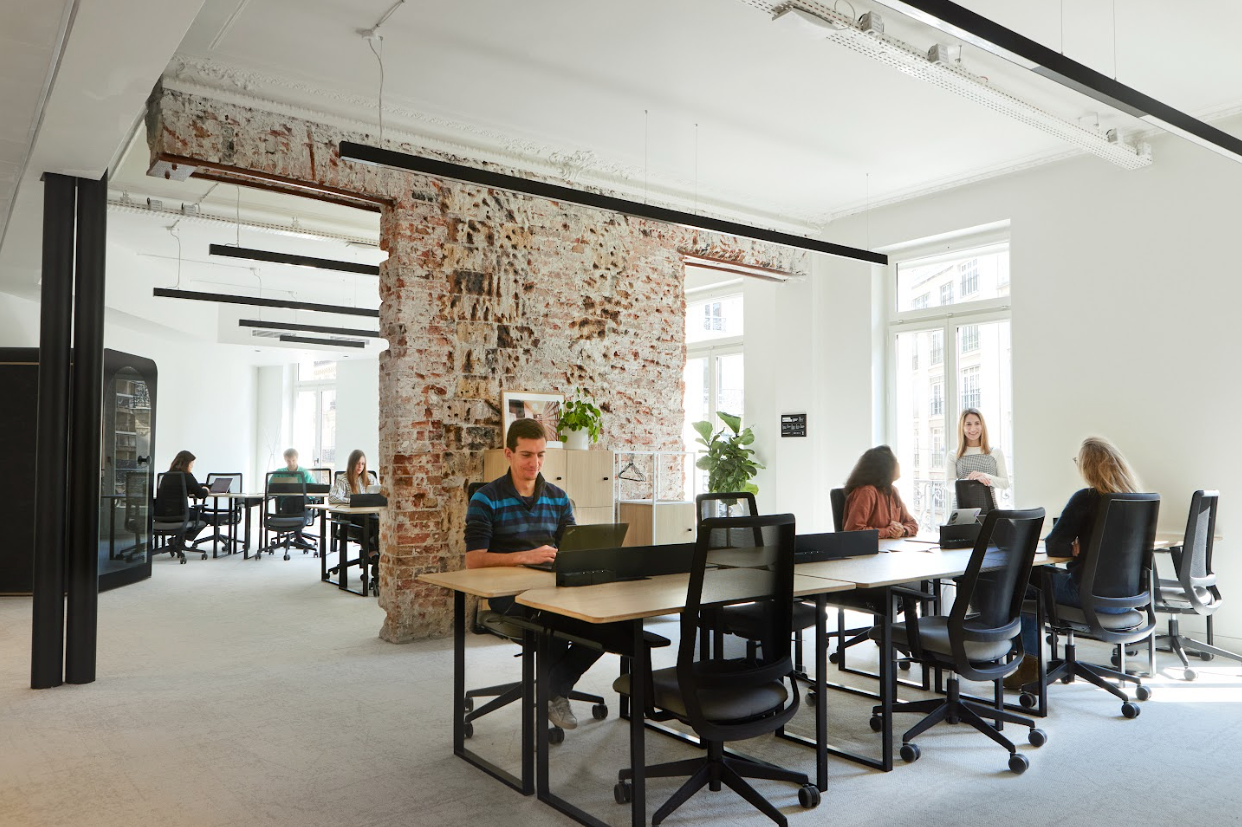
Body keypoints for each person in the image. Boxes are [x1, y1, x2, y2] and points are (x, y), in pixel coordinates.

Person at [465, 417, 599, 732]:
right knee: (552, 619)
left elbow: (573, 548)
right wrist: (526, 556)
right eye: (527, 454)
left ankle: (553, 688)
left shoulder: (558, 497)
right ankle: (554, 692)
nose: (535, 462)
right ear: (508, 454)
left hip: (552, 586)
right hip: (506, 596)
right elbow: (474, 560)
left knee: (607, 622)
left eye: (540, 455)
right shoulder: (486, 498)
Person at [1007, 436, 1139, 688]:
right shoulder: (1135, 500)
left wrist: (1074, 544)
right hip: (1129, 600)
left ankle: (1030, 664)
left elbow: (1053, 544)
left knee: (1022, 583)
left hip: (1089, 596)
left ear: (1088, 466)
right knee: (1038, 579)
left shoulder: (1087, 498)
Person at [842, 445, 919, 539]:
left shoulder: (892, 491)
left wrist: (902, 530)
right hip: (869, 551)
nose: (898, 464)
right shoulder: (867, 492)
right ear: (884, 467)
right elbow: (854, 531)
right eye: (894, 461)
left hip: (889, 549)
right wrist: (888, 531)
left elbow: (912, 524)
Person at [947, 408, 1010, 496]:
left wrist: (984, 476)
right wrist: (969, 480)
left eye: (977, 423)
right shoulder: (953, 454)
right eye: (968, 424)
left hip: (989, 508)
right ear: (962, 427)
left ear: (982, 426)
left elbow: (1005, 483)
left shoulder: (995, 452)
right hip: (962, 508)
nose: (973, 429)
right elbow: (949, 485)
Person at [329, 449, 380, 559]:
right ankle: (374, 555)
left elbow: (379, 494)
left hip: (370, 515)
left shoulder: (370, 478)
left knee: (378, 523)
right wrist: (353, 500)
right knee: (368, 526)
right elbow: (333, 498)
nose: (360, 466)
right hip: (352, 517)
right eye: (357, 463)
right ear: (351, 463)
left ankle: (376, 556)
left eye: (362, 464)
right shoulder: (343, 479)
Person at [153, 450, 210, 547]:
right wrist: (206, 490)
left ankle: (178, 540)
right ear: (186, 464)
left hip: (162, 514)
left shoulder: (166, 475)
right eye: (191, 464)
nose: (192, 467)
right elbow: (201, 494)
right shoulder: (187, 475)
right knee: (205, 517)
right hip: (180, 514)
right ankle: (179, 539)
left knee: (191, 512)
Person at [275, 448, 317, 550]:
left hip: (302, 503)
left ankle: (298, 535)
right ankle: (298, 536)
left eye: (293, 460)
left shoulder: (304, 473)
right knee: (291, 501)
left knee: (299, 500)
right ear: (285, 459)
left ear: (297, 459)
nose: (291, 463)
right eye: (288, 461)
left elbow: (313, 490)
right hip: (287, 504)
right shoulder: (279, 472)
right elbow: (270, 487)